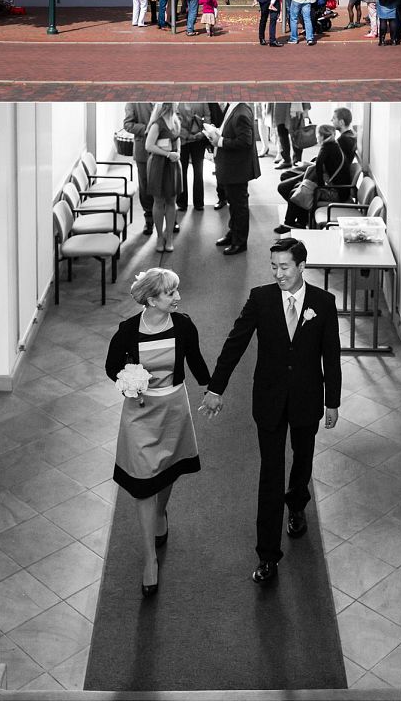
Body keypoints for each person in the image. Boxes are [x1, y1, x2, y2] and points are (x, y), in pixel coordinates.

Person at [198, 237, 342, 586]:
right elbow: (235, 342)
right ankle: (267, 555)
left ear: (302, 267)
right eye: (274, 266)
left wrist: (332, 401)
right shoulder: (260, 299)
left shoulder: (323, 303)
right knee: (270, 473)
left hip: (308, 399)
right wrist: (216, 388)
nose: (278, 273)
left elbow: (331, 356)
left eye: (285, 267)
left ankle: (297, 502)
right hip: (270, 400)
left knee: (303, 459)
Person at [109, 267, 209, 596]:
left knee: (167, 472)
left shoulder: (183, 325)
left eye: (176, 291)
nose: (178, 297)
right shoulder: (127, 331)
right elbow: (112, 367)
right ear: (151, 299)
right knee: (142, 484)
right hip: (140, 414)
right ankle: (150, 558)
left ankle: (162, 511)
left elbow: (194, 359)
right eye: (170, 293)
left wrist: (211, 388)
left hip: (174, 408)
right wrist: (128, 382)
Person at [277, 109, 358, 230]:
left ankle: (295, 222)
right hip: (333, 183)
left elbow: (321, 166)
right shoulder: (341, 141)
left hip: (334, 188)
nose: (331, 120)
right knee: (297, 187)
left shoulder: (337, 143)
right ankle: (298, 221)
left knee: (296, 189)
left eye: (334, 118)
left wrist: (319, 185)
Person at [208, 101, 259, 255]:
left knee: (239, 206)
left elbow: (245, 141)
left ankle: (240, 242)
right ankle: (233, 233)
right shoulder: (235, 107)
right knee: (233, 204)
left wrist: (220, 141)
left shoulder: (242, 112)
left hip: (238, 168)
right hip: (232, 167)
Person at [142, 103, 181, 252]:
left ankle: (169, 236)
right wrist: (167, 154)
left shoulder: (176, 120)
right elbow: (148, 146)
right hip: (159, 165)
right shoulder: (157, 124)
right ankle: (159, 237)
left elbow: (177, 140)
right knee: (159, 201)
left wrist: (178, 154)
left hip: (172, 164)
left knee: (172, 201)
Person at [122, 101, 156, 228]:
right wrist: (148, 129)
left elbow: (177, 116)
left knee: (165, 183)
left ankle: (170, 219)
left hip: (165, 148)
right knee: (145, 184)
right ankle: (149, 218)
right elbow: (128, 124)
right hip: (143, 149)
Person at [175, 101, 213, 210]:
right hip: (182, 140)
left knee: (199, 172)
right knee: (182, 172)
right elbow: (175, 119)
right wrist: (186, 135)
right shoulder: (177, 100)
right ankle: (181, 202)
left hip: (198, 140)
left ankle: (199, 203)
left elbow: (207, 116)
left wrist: (203, 133)